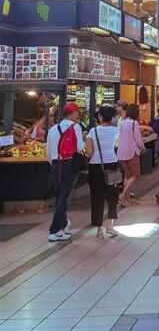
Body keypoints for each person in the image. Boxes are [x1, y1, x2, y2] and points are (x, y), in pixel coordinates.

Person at [46, 102, 85, 242]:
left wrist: (54, 164)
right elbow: (80, 147)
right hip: (68, 164)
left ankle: (62, 227)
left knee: (59, 196)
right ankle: (54, 230)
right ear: (73, 113)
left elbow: (48, 152)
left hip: (56, 165)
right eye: (77, 113)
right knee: (64, 196)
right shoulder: (76, 127)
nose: (78, 115)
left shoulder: (53, 129)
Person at [85, 105, 121, 238]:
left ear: (100, 117)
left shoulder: (93, 132)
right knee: (113, 195)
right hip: (112, 165)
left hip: (96, 167)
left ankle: (99, 228)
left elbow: (89, 152)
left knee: (97, 196)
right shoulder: (118, 131)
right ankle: (110, 224)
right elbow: (119, 148)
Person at [117, 104, 145, 207]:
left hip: (121, 152)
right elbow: (138, 139)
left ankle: (127, 199)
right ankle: (123, 195)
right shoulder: (134, 123)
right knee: (135, 175)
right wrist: (142, 147)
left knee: (127, 175)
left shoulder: (122, 122)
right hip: (131, 152)